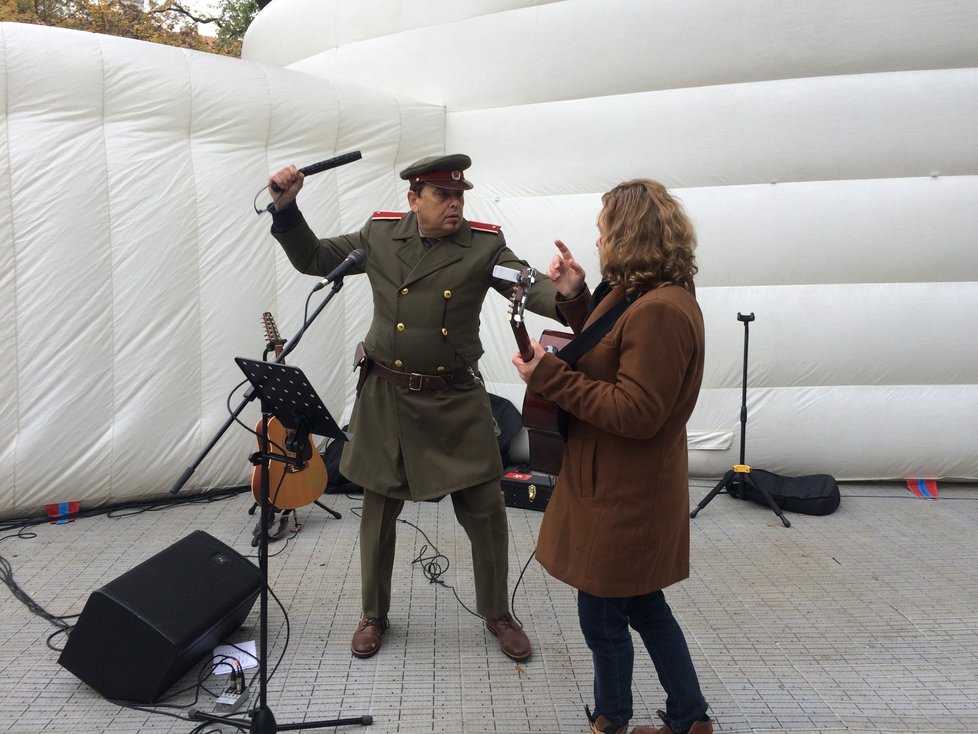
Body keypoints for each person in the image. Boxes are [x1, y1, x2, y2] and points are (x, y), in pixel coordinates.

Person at [266, 153, 557, 662]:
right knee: (376, 514)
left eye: (460, 195)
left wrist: (570, 293)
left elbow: (531, 288)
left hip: (454, 398)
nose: (454, 204)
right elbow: (313, 257)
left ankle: (497, 612)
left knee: (486, 513)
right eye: (443, 195)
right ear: (413, 198)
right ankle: (373, 614)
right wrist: (287, 210)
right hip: (388, 396)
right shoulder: (380, 236)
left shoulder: (484, 244)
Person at [511, 179, 712, 734]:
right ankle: (690, 719)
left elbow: (637, 410)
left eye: (603, 233)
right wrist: (577, 296)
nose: (597, 244)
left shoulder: (662, 312)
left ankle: (611, 720)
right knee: (643, 604)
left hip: (626, 491)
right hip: (616, 483)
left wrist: (548, 374)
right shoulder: (638, 296)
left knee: (602, 615)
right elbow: (608, 352)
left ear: (628, 236)